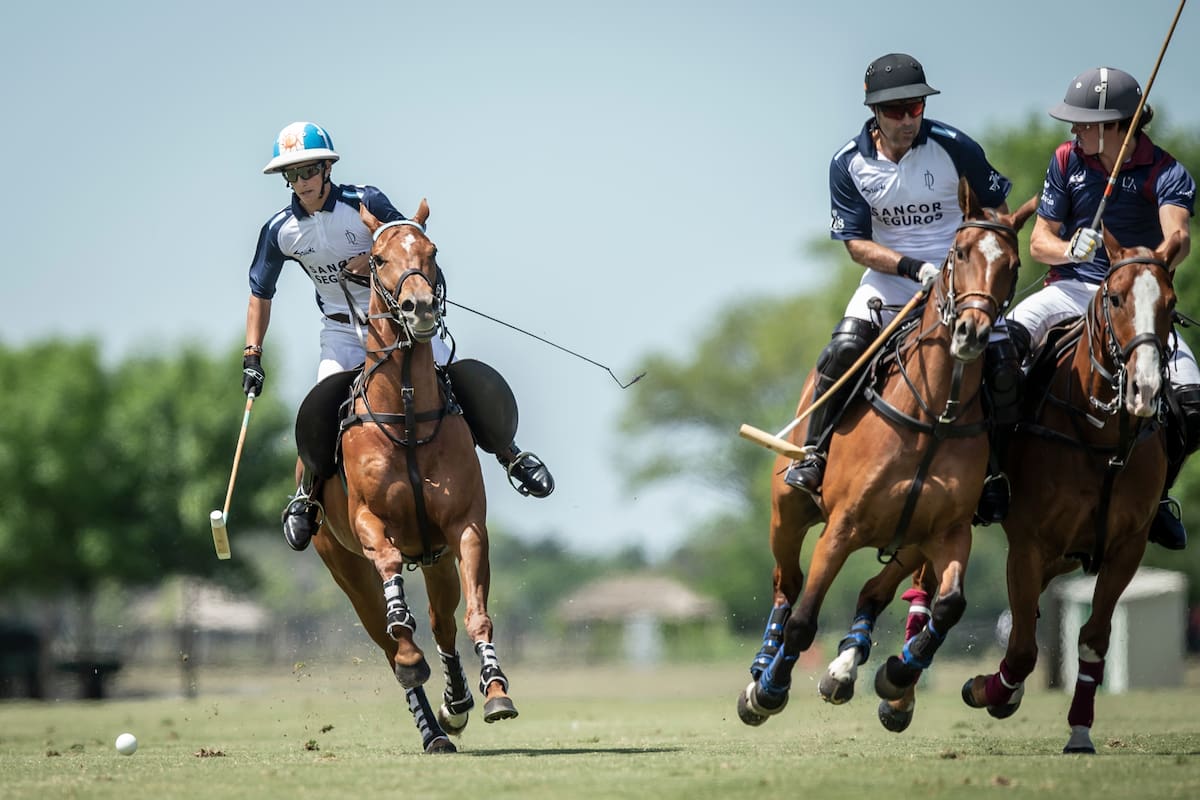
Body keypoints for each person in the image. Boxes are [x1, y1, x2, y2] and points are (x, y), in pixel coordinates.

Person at [243, 121, 555, 552]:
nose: (302, 182)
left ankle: (509, 454)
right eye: (292, 174)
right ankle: (307, 495)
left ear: (327, 169)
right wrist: (252, 355)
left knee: (452, 375)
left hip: (398, 321)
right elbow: (260, 292)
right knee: (322, 402)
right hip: (341, 330)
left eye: (309, 170)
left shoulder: (363, 200)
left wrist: (371, 259)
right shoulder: (280, 230)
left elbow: (410, 242)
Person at [784, 53, 1014, 502]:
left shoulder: (955, 146)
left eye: (915, 108)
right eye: (895, 111)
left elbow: (998, 215)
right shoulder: (849, 162)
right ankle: (813, 453)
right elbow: (856, 245)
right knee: (843, 349)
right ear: (874, 111)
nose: (908, 120)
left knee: (1006, 367)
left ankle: (996, 474)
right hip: (891, 279)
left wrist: (975, 265)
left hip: (963, 280)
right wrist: (911, 267)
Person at [1010, 67, 1197, 550]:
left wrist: (1149, 260)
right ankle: (995, 477)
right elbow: (1039, 242)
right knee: (999, 351)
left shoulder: (1166, 172)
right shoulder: (1066, 159)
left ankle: (1156, 496)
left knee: (1193, 400)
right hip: (1071, 289)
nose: (1073, 129)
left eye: (1083, 122)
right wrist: (1070, 249)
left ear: (1115, 125)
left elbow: (1178, 237)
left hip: (1137, 302)